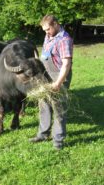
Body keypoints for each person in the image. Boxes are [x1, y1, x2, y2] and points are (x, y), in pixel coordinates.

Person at [29, 14, 73, 150]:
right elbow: (45, 54)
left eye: (48, 29)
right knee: (43, 103)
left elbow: (66, 64)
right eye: (44, 30)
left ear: (55, 24)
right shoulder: (48, 36)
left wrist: (58, 83)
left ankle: (58, 139)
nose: (46, 32)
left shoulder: (64, 39)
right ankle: (43, 134)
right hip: (45, 74)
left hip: (59, 75)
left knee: (58, 107)